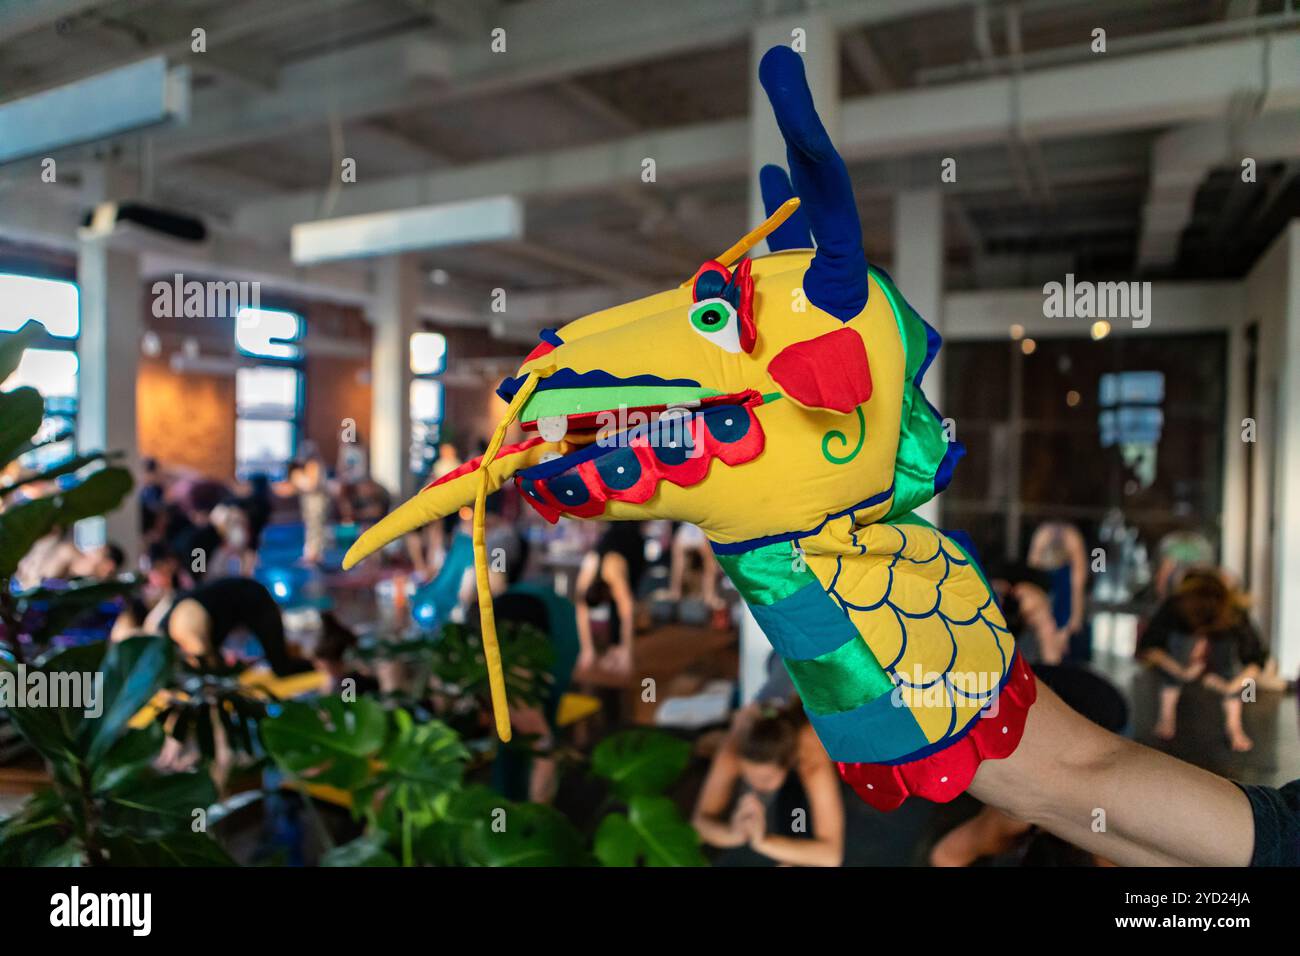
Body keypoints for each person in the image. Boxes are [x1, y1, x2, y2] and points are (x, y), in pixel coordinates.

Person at [693, 699, 845, 867]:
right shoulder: (735, 746)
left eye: (766, 778)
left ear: (788, 763)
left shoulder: (811, 760)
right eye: (748, 774)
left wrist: (762, 842)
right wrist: (734, 833)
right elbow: (699, 823)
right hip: (763, 702)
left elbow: (831, 856)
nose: (757, 785)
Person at [1138, 570, 1267, 751]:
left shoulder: (1232, 612)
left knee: (1229, 667)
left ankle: (1234, 727)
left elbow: (1256, 657)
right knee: (1178, 651)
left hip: (1221, 642)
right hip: (1183, 646)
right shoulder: (1174, 607)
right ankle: (1166, 717)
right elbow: (1149, 647)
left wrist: (1233, 686)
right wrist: (1179, 671)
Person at [113, 575, 309, 676]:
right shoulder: (155, 625)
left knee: (281, 668)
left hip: (253, 597)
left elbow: (211, 674)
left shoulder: (179, 630)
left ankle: (323, 665)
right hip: (233, 598)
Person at [574, 521, 646, 675]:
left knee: (624, 603)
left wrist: (627, 652)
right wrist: (586, 650)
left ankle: (618, 650)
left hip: (633, 544)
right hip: (612, 539)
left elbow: (627, 613)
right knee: (618, 604)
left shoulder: (613, 574)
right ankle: (614, 649)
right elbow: (581, 612)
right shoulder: (587, 573)